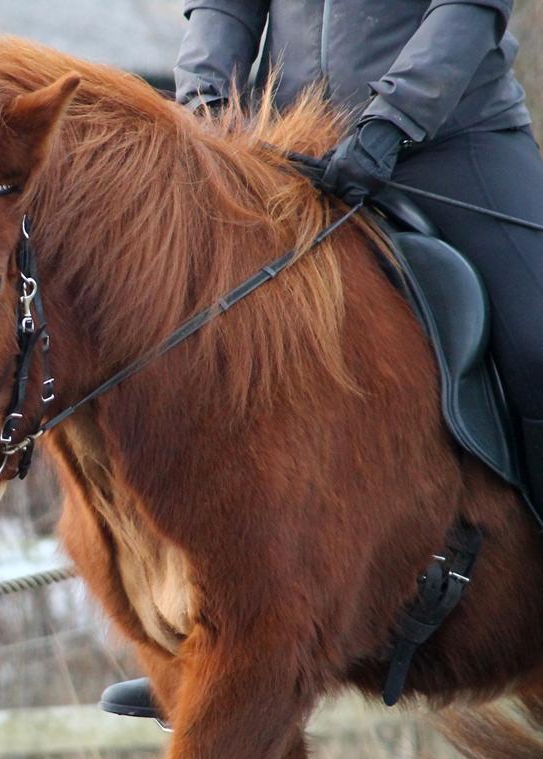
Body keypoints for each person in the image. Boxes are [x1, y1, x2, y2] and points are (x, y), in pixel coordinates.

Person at [101, 0, 543, 721]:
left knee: (536, 343)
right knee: (169, 342)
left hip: (455, 144)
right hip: (287, 146)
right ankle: (206, 644)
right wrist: (210, 112)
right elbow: (224, 9)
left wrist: (390, 123)